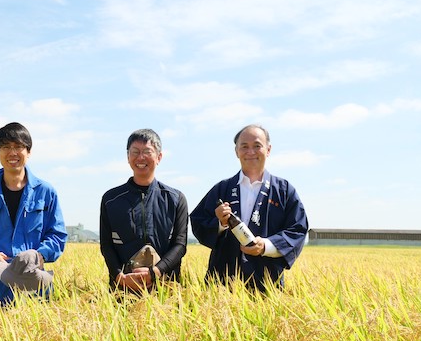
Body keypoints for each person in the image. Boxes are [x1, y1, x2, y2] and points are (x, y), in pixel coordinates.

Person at [0, 122, 67, 306]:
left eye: (18, 147)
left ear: (29, 152)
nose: (12, 153)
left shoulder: (46, 191)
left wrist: (39, 255)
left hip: (34, 284)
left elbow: (57, 235)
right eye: (6, 147)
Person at [190, 124, 308, 292]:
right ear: (236, 151)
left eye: (257, 146)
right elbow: (198, 222)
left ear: (268, 149)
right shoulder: (222, 189)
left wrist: (266, 246)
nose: (250, 152)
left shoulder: (284, 190)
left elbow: (297, 229)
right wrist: (220, 223)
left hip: (267, 282)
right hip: (222, 283)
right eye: (244, 147)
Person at [99, 128, 188, 292]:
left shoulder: (175, 198)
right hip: (124, 288)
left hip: (166, 287)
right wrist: (119, 277)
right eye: (135, 152)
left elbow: (180, 245)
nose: (140, 157)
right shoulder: (111, 199)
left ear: (159, 157)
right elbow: (106, 245)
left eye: (147, 151)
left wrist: (155, 272)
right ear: (128, 157)